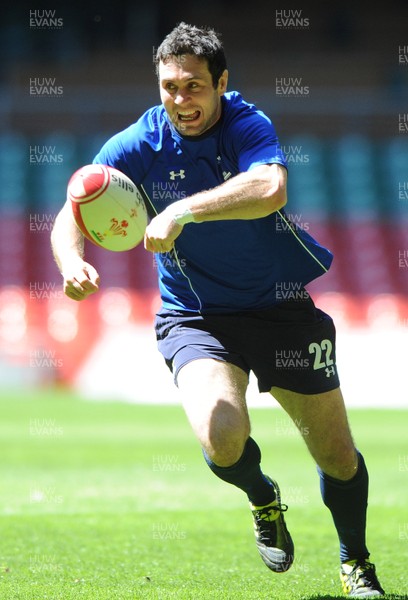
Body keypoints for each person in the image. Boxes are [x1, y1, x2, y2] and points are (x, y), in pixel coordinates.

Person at [51, 22, 384, 597]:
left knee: (337, 457)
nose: (181, 100)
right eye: (169, 86)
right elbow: (72, 210)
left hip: (281, 309)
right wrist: (71, 264)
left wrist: (182, 210)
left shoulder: (247, 124)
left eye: (194, 86)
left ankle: (355, 559)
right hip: (196, 315)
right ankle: (262, 496)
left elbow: (270, 188)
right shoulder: (139, 141)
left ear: (222, 83)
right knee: (220, 435)